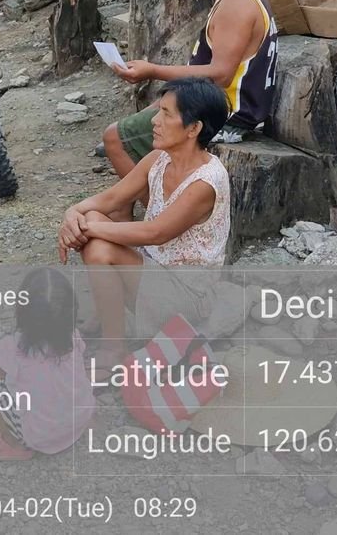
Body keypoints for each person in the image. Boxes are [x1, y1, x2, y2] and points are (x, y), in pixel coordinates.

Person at [59, 78, 231, 372]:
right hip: (155, 272)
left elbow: (155, 232)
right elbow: (110, 199)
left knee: (99, 243)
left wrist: (85, 229)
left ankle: (114, 347)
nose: (155, 121)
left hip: (188, 295)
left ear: (194, 128)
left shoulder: (206, 182)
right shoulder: (158, 159)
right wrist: (72, 214)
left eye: (166, 113)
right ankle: (110, 317)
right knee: (94, 221)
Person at [101, 0, 279, 179]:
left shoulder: (237, 3)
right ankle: (139, 210)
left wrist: (152, 70)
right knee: (144, 126)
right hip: (211, 105)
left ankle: (163, 215)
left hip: (224, 116)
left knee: (116, 138)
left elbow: (220, 74)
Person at [0, 267, 95, 460]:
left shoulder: (12, 347)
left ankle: (11, 441)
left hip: (39, 437)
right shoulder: (73, 337)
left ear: (22, 311)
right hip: (80, 420)